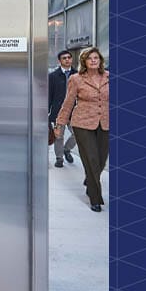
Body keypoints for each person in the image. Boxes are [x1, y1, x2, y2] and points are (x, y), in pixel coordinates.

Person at [54, 47, 109, 212]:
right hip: (82, 124)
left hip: (105, 123)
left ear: (100, 60)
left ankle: (89, 180)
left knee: (101, 160)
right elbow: (68, 103)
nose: (93, 60)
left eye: (96, 58)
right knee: (91, 159)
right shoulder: (76, 79)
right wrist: (60, 124)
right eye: (90, 58)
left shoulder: (109, 77)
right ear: (84, 61)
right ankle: (95, 197)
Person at [48, 50, 77, 167]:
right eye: (64, 58)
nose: (67, 59)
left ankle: (67, 149)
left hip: (74, 112)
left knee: (78, 134)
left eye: (69, 57)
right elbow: (49, 95)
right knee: (58, 136)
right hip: (58, 112)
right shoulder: (53, 76)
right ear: (59, 61)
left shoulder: (78, 75)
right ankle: (59, 158)